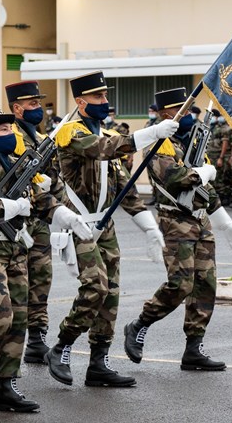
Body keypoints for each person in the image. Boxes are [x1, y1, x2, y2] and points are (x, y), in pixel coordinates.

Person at [44, 70, 178, 387]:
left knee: (111, 295)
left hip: (105, 227)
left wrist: (150, 228)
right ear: (80, 102)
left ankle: (98, 362)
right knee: (96, 288)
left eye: (106, 95)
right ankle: (62, 345)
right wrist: (152, 133)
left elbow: (125, 190)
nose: (105, 100)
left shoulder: (105, 133)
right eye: (98, 96)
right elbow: (104, 148)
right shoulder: (71, 133)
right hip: (79, 225)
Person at [0, 109, 92, 412]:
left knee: (19, 321)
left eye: (11, 128)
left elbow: (39, 200)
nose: (12, 134)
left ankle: (8, 385)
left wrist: (66, 216)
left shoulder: (19, 165)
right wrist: (14, 206)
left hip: (16, 251)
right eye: (4, 130)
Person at [123, 88, 232, 372]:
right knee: (180, 284)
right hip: (175, 222)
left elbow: (205, 190)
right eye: (183, 109)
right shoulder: (159, 143)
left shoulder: (192, 141)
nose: (189, 114)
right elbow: (175, 178)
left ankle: (194, 348)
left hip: (201, 222)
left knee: (205, 285)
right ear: (166, 113)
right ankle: (139, 324)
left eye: (190, 109)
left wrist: (225, 222)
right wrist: (204, 172)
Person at [4, 81, 61, 364]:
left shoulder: (40, 138)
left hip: (40, 221)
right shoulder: (8, 137)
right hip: (17, 221)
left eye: (38, 103)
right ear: (17, 108)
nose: (38, 108)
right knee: (15, 285)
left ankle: (37, 339)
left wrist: (63, 212)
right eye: (33, 104)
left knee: (41, 278)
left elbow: (55, 179)